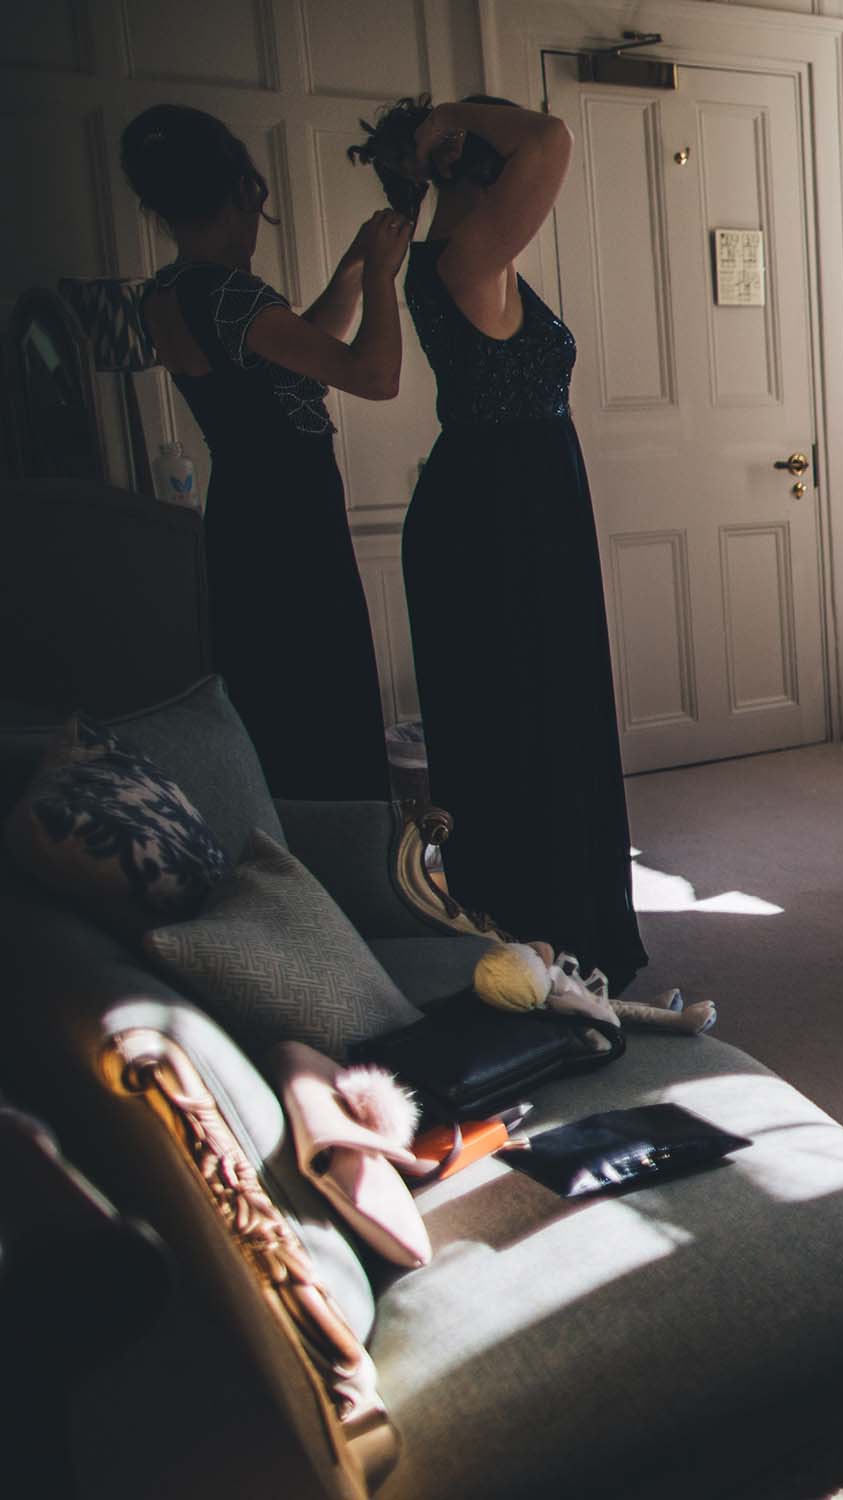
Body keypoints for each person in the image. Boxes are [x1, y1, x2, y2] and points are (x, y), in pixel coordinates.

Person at [346, 95, 646, 992]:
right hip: (499, 515)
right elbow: (550, 138)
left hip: (514, 503)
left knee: (540, 712)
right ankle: (538, 921)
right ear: (471, 166)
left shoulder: (470, 260)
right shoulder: (462, 259)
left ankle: (548, 915)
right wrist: (453, 113)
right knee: (523, 715)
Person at [121, 105, 412, 799]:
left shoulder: (167, 294)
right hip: (293, 527)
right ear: (242, 195)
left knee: (269, 704)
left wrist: (350, 267)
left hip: (241, 517)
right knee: (319, 699)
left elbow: (298, 356)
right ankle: (342, 867)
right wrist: (380, 279)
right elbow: (374, 376)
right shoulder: (231, 294)